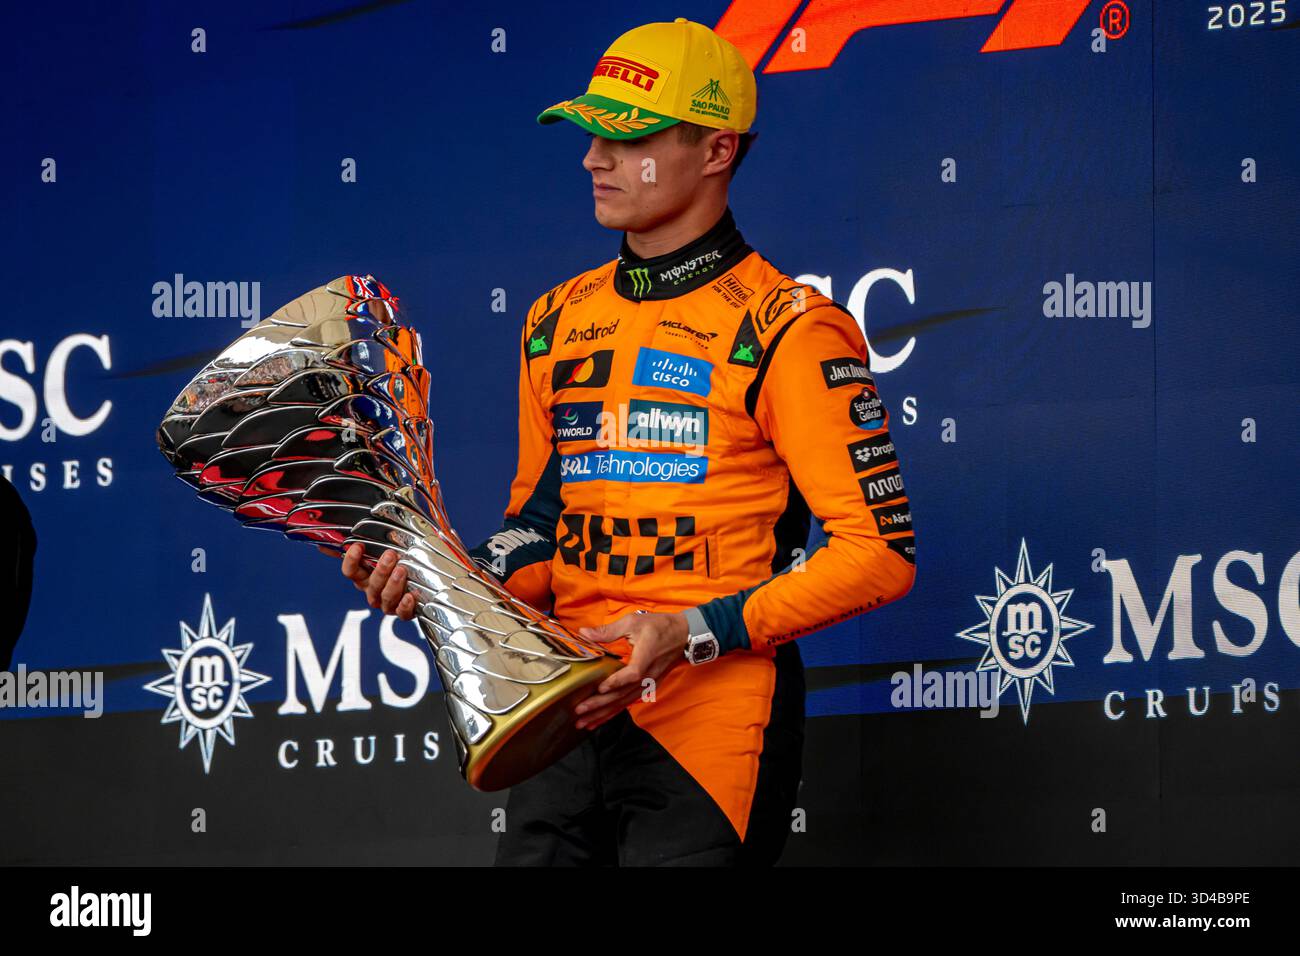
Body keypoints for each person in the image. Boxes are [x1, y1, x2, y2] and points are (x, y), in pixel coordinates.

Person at [333, 18, 917, 865]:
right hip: (564, 705)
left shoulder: (789, 329)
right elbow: (539, 526)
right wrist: (449, 578)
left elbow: (880, 554)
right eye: (588, 133)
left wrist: (689, 631)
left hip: (711, 717)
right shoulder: (556, 318)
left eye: (627, 135)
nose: (593, 158)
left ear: (717, 150)